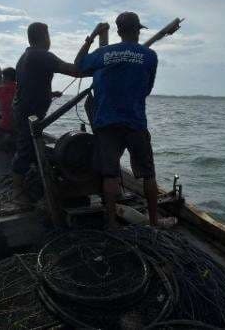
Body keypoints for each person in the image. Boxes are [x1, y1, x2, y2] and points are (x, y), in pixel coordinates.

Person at [75, 12, 182, 227]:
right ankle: (154, 222)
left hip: (106, 122)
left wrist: (92, 36)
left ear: (118, 31)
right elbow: (147, 89)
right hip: (135, 122)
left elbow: (78, 65)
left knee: (110, 174)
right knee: (148, 174)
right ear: (138, 31)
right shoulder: (149, 56)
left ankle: (111, 225)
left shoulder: (102, 53)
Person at [11, 22, 78, 198]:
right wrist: (97, 67)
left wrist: (49, 93)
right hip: (28, 113)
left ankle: (28, 184)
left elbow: (30, 84)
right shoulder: (42, 55)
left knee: (28, 147)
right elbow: (74, 70)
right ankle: (17, 194)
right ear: (43, 37)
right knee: (25, 149)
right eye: (48, 36)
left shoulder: (26, 56)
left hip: (22, 109)